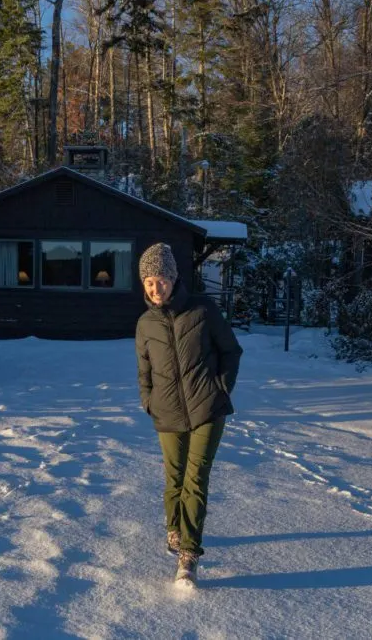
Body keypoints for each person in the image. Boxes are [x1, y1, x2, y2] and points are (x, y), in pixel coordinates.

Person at [134, 242, 243, 588]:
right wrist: (148, 401)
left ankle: (190, 554)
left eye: (161, 279)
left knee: (195, 479)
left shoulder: (203, 311)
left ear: (174, 277)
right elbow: (144, 371)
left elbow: (231, 351)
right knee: (174, 478)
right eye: (149, 282)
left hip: (206, 409)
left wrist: (220, 389)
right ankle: (174, 529)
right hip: (166, 412)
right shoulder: (145, 324)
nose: (156, 288)